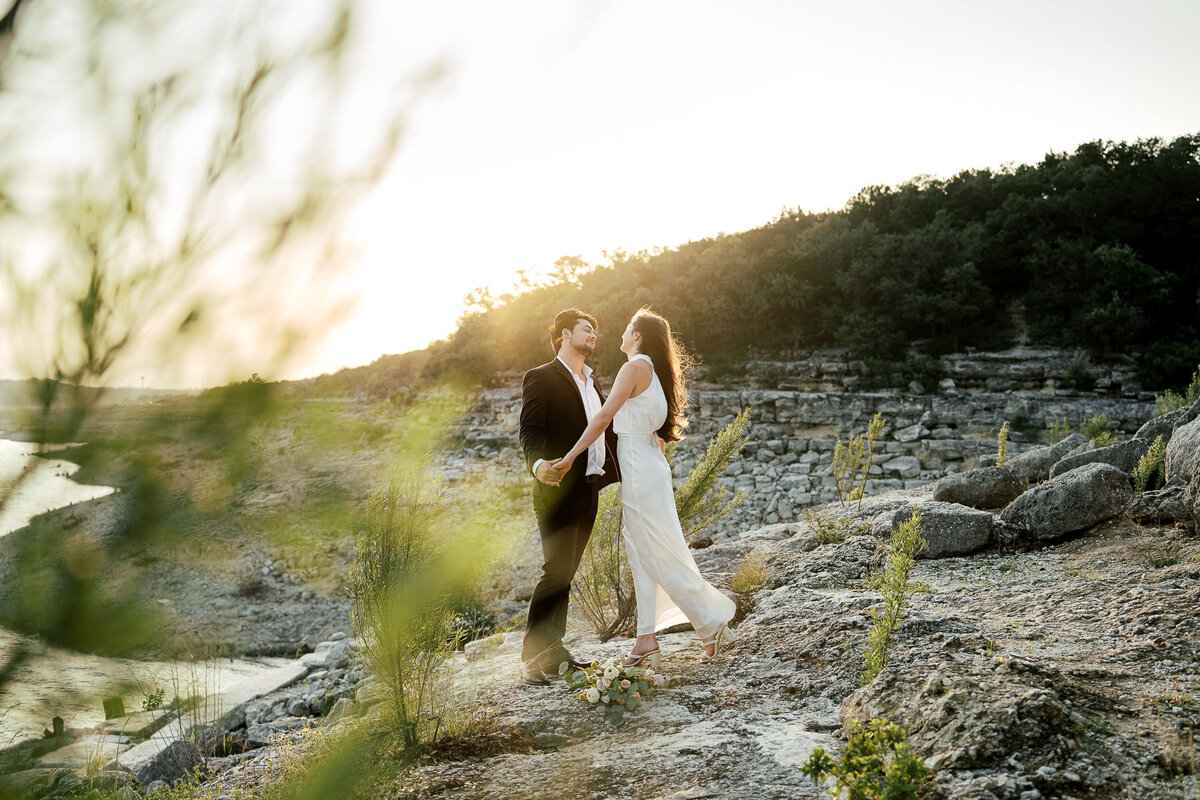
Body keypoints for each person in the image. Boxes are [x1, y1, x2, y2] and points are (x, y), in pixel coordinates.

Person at [549, 309, 736, 667]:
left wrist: (571, 455)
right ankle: (646, 636)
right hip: (650, 464)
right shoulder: (657, 373)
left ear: (637, 336)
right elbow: (657, 435)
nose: (620, 333)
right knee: (642, 548)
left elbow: (604, 417)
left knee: (652, 550)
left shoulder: (634, 367)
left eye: (627, 328)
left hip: (638, 463)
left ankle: (708, 621)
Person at [517, 308, 622, 685]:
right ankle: (534, 657)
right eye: (585, 329)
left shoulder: (593, 383)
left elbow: (607, 431)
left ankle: (553, 652)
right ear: (564, 334)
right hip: (555, 488)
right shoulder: (541, 377)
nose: (593, 334)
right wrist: (538, 466)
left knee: (567, 573)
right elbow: (529, 430)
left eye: (595, 330)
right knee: (555, 570)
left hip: (590, 487)